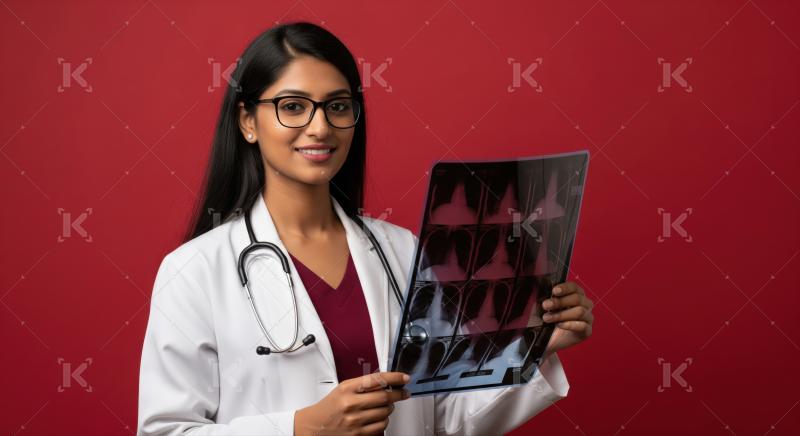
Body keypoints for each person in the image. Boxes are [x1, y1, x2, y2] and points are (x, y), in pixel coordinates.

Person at [137, 21, 594, 436]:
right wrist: (300, 429)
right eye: (292, 106)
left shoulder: (402, 251)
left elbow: (447, 418)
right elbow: (164, 431)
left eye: (338, 106)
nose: (320, 127)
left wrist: (535, 344)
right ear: (247, 121)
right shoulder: (194, 270)